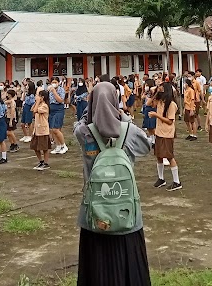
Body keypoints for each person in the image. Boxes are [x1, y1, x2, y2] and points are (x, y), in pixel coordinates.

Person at [73, 80, 151, 286]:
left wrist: (90, 110)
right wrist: (123, 115)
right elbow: (146, 147)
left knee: (96, 267)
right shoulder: (129, 131)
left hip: (95, 215)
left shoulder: (84, 133)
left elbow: (79, 124)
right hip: (127, 211)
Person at [149, 81, 182, 191]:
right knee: (159, 156)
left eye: (161, 88)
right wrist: (155, 93)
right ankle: (161, 178)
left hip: (167, 133)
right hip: (159, 132)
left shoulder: (171, 104)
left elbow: (169, 121)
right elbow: (148, 103)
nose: (159, 90)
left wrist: (156, 115)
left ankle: (177, 181)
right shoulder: (160, 101)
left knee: (169, 156)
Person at [31, 89, 51, 170]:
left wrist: (38, 102)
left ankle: (46, 163)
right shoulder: (38, 104)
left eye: (39, 96)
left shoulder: (45, 106)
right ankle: (41, 161)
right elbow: (32, 109)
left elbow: (36, 110)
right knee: (35, 147)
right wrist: (37, 102)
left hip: (43, 130)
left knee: (44, 148)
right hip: (37, 129)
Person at [48, 77, 68, 155]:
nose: (53, 83)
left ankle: (64, 145)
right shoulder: (49, 90)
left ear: (58, 82)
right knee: (53, 130)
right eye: (52, 82)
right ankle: (58, 146)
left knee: (56, 129)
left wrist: (54, 91)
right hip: (51, 109)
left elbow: (60, 100)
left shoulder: (61, 90)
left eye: (55, 82)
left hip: (59, 109)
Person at [141, 78, 157, 149]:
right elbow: (142, 97)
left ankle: (157, 139)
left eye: (147, 85)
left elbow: (152, 103)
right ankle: (152, 139)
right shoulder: (147, 92)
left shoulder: (153, 92)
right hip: (146, 109)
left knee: (152, 126)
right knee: (148, 126)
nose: (145, 86)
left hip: (151, 109)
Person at [5, 88, 20, 153]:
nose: (7, 95)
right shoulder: (9, 101)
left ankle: (15, 144)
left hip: (11, 118)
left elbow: (12, 111)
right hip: (7, 117)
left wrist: (11, 120)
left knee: (10, 132)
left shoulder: (12, 102)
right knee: (8, 133)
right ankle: (12, 144)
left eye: (8, 94)